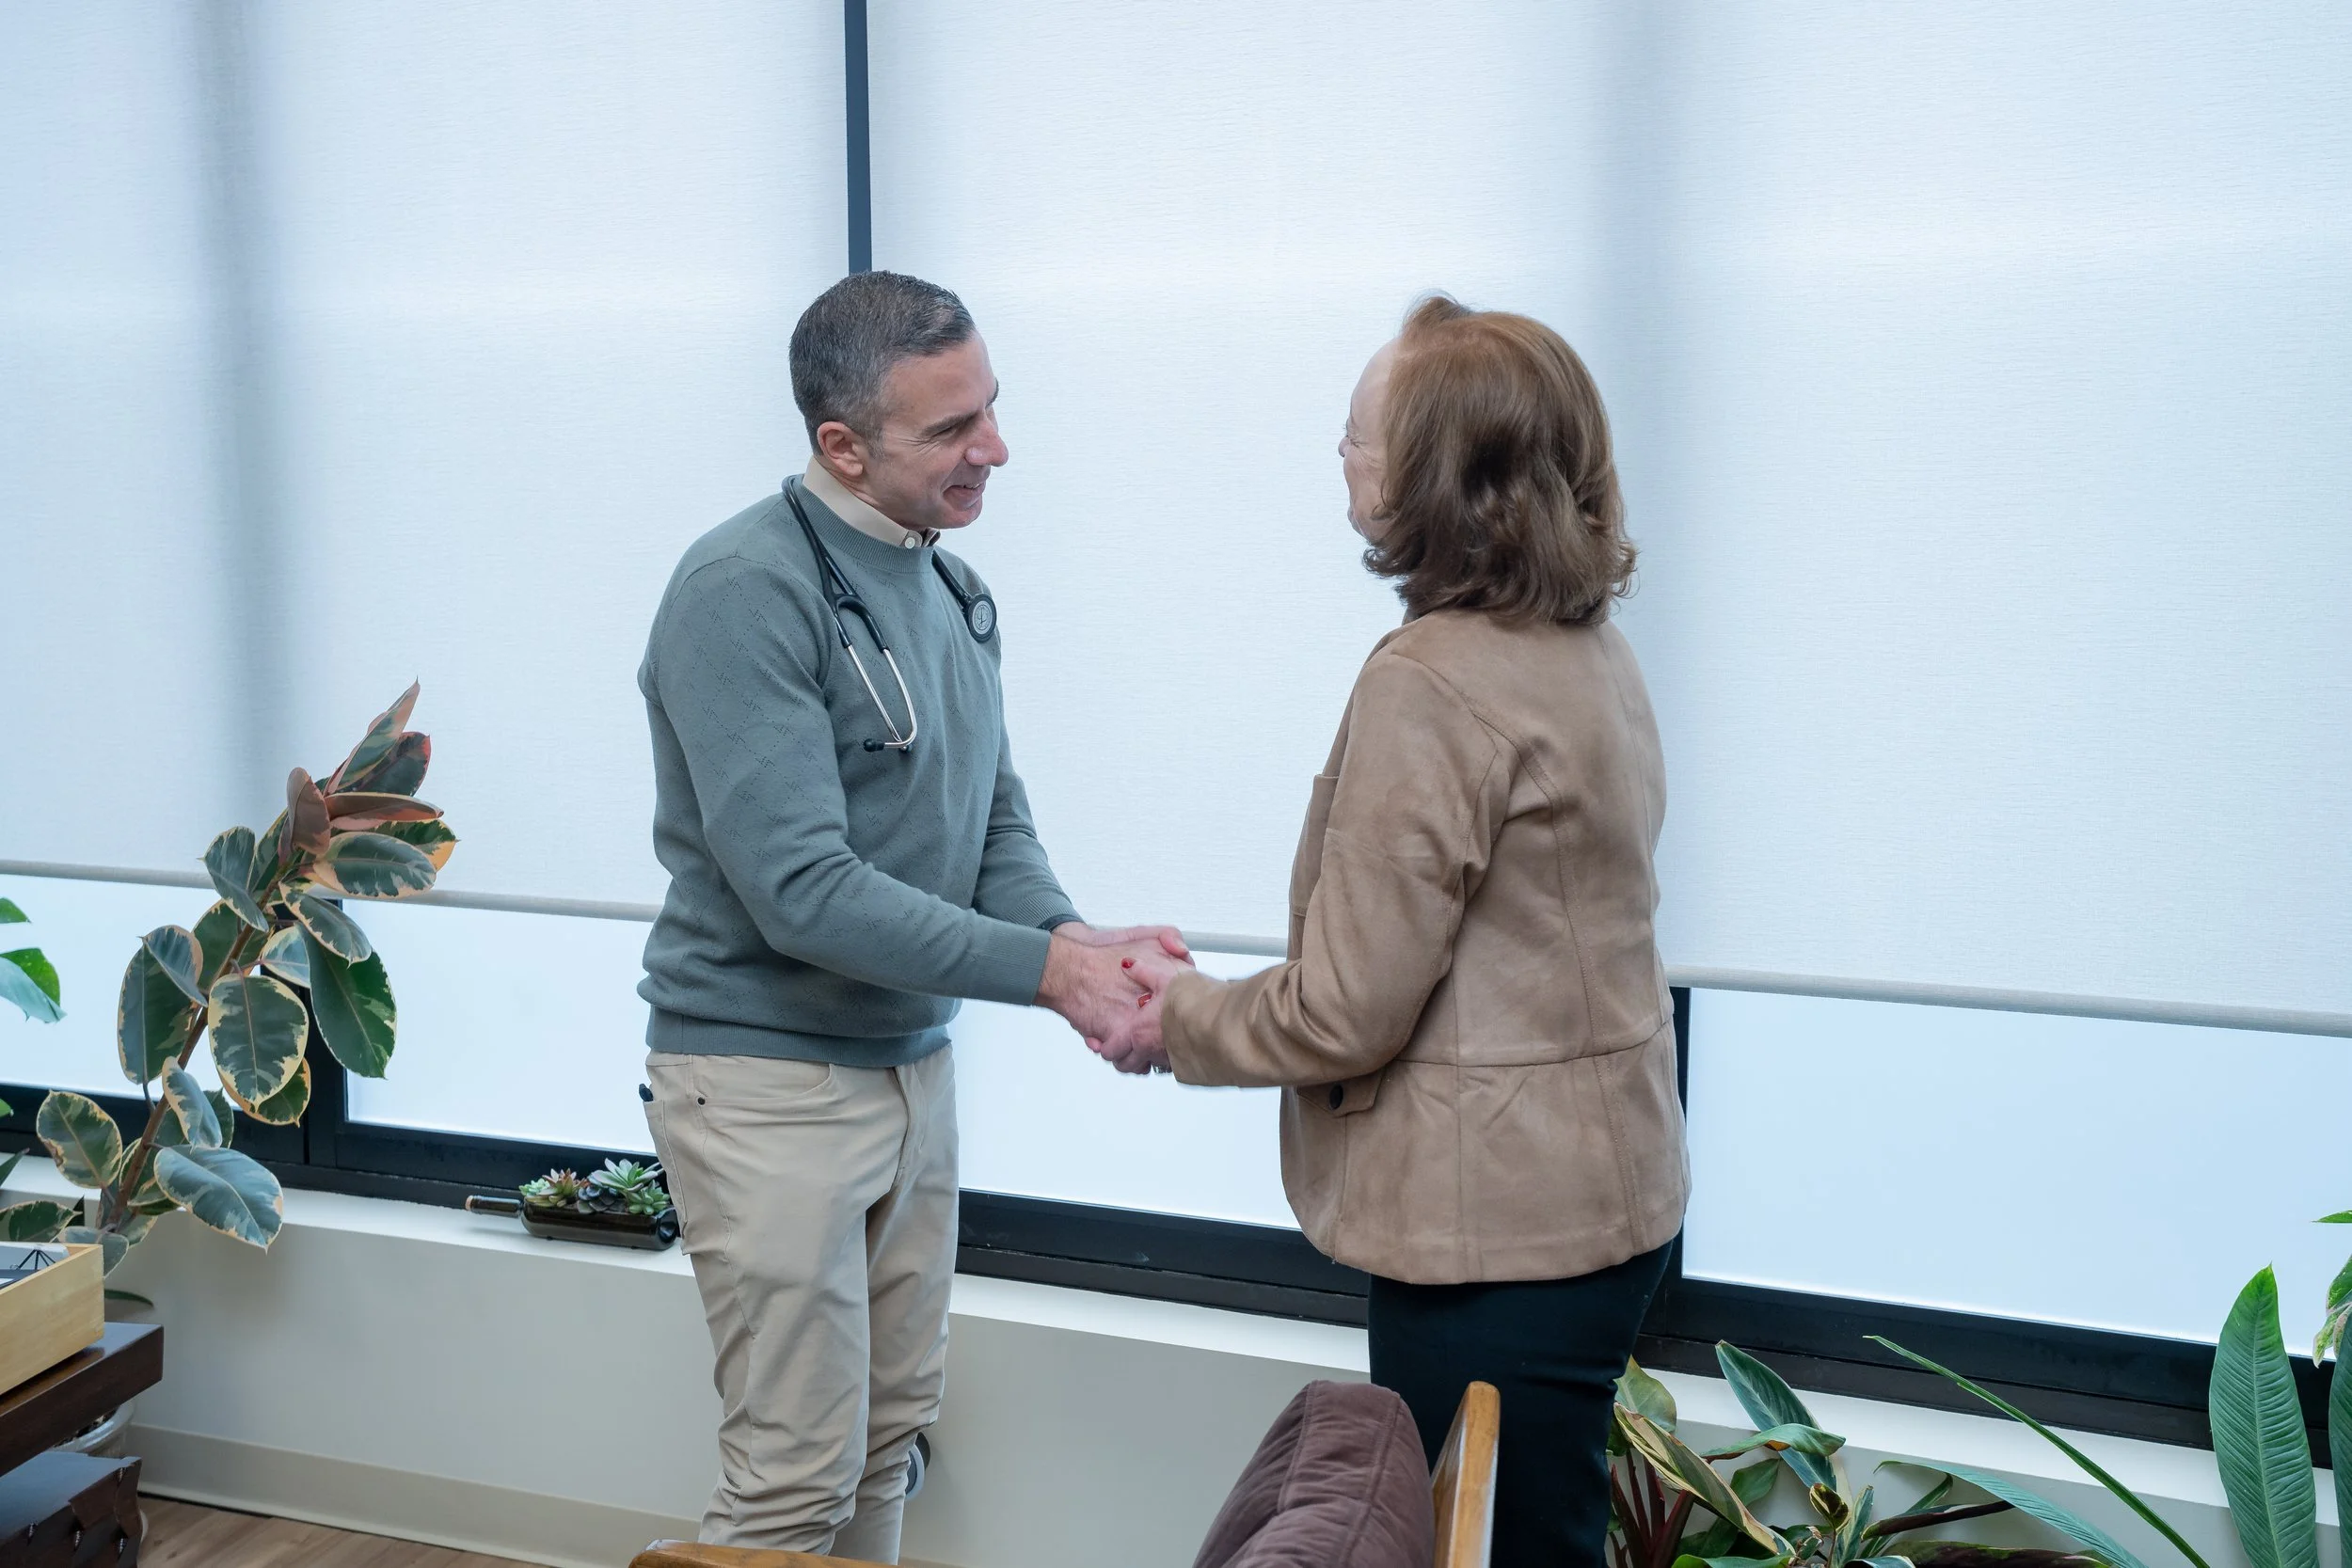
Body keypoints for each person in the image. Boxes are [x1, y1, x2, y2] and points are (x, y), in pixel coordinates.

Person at [1115, 295, 1689, 1567]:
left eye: (1361, 434)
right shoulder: (1585, 647)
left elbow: (1346, 1008)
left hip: (1499, 1236)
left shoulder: (1432, 679)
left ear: (1439, 474)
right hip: (1602, 1203)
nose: (1342, 455)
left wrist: (1176, 1017)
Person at [636, 271, 1184, 1560]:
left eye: (991, 409)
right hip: (764, 1081)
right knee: (792, 1475)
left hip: (907, 1072)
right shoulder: (741, 590)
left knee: (888, 1443)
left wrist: (1081, 943)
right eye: (951, 429)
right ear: (842, 445)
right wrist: (1049, 972)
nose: (994, 448)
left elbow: (991, 827)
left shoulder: (951, 591)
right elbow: (803, 891)